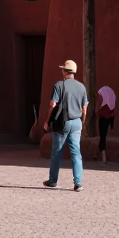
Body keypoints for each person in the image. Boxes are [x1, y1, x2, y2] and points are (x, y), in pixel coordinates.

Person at [43, 59, 87, 192]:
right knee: (76, 153)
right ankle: (78, 183)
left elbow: (52, 104)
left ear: (64, 71)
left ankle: (53, 180)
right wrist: (82, 122)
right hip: (77, 122)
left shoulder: (59, 85)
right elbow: (84, 107)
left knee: (57, 152)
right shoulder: (81, 87)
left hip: (63, 123)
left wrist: (47, 120)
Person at [96, 85, 116, 164]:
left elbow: (98, 106)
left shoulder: (101, 97)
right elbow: (114, 107)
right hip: (110, 117)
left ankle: (102, 152)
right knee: (104, 135)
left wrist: (97, 112)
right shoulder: (112, 97)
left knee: (102, 135)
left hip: (103, 118)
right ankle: (102, 151)